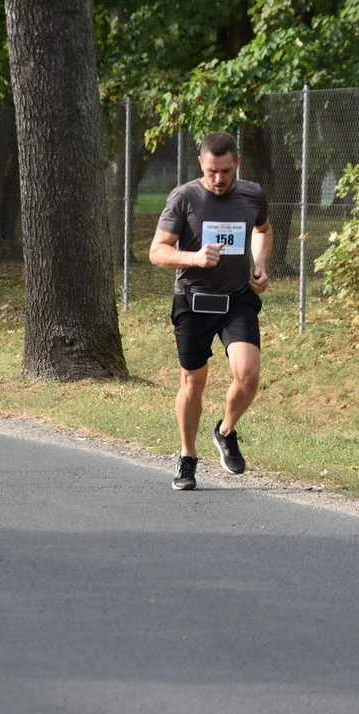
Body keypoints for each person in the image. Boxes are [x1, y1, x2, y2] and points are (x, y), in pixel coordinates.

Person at [148, 132, 273, 491]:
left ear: (237, 165)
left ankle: (225, 430)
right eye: (212, 171)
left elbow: (262, 230)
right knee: (193, 383)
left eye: (226, 171)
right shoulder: (184, 198)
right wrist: (195, 257)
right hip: (193, 299)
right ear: (201, 164)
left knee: (248, 375)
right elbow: (157, 251)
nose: (219, 179)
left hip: (237, 298)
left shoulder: (252, 194)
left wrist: (260, 263)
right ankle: (187, 458)